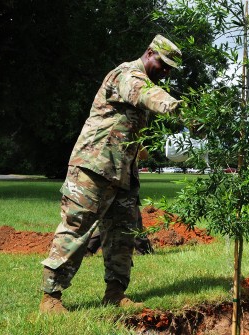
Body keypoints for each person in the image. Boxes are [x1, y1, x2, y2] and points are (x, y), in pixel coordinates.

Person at [39, 35, 183, 313]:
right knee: (76, 230)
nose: (165, 72)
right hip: (93, 169)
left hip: (123, 174)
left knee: (122, 235)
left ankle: (115, 293)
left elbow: (129, 125)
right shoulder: (127, 74)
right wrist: (181, 110)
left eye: (170, 69)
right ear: (150, 52)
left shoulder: (145, 80)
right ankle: (50, 298)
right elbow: (147, 95)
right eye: (163, 64)